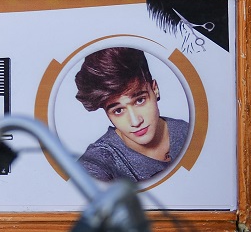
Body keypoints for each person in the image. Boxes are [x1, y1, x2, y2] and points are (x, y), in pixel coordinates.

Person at [73, 47, 189, 183]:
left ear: (155, 89)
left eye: (139, 100)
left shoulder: (187, 131)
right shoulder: (99, 160)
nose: (135, 121)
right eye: (118, 110)